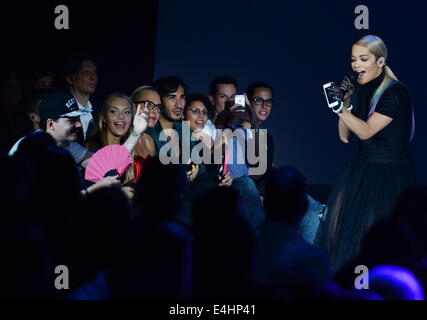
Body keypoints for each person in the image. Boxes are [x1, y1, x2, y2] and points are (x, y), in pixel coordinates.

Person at [315, 35, 416, 272]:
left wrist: (339, 108)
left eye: (363, 59)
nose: (356, 66)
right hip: (363, 170)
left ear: (380, 62)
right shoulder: (362, 89)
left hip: (388, 174)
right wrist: (346, 102)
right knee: (344, 232)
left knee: (377, 234)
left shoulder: (395, 93)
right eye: (353, 60)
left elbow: (367, 131)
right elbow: (345, 136)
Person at [245, 82, 325, 243]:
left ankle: (305, 261)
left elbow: (268, 170)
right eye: (258, 100)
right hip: (255, 195)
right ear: (247, 101)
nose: (264, 106)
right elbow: (250, 174)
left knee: (311, 217)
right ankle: (324, 211)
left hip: (270, 193)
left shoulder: (266, 137)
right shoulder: (237, 132)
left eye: (269, 102)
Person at [64, 54, 99, 141]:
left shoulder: (99, 109)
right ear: (70, 79)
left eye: (95, 72)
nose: (93, 77)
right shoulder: (62, 110)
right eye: (86, 73)